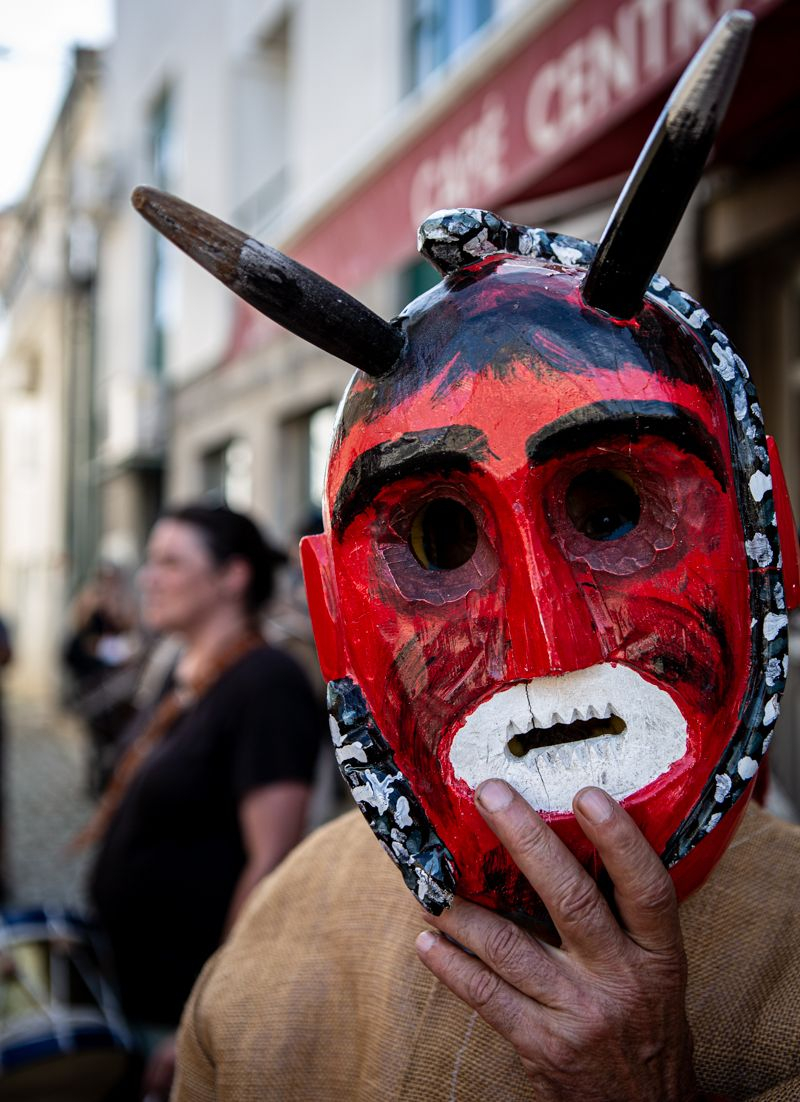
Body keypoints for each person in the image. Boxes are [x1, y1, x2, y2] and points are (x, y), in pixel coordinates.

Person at [137, 14, 800, 1100]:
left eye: (607, 507)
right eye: (439, 539)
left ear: (761, 536)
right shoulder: (266, 970)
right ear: (333, 612)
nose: (544, 641)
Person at [83, 503, 323, 1098]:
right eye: (150, 560)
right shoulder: (181, 672)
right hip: (127, 993)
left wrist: (206, 1009)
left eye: (169, 561)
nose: (148, 577)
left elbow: (270, 863)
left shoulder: (266, 682)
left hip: (181, 1008)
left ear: (231, 576)